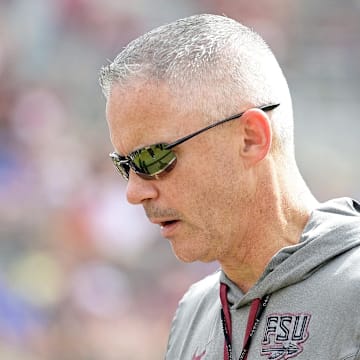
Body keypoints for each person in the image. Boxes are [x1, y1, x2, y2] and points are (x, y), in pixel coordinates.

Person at [98, 14, 360, 360]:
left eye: (152, 158)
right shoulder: (193, 312)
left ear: (251, 138)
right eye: (125, 165)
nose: (134, 192)